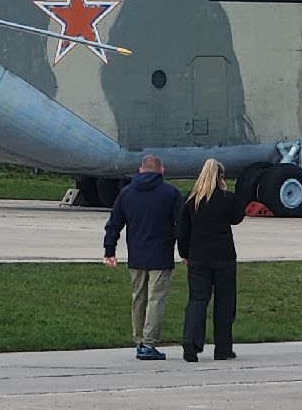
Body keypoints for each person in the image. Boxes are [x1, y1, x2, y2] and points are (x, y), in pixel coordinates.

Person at [102, 154, 182, 359]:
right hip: (161, 253)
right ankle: (149, 342)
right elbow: (182, 226)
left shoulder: (126, 193)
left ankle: (139, 340)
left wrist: (109, 250)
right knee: (156, 298)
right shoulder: (170, 193)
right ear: (162, 170)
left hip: (136, 254)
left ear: (140, 170)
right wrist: (184, 250)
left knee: (138, 298)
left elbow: (114, 224)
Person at [175, 160, 248, 363]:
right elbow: (236, 218)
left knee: (197, 300)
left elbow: (183, 231)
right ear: (220, 177)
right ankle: (223, 348)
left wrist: (184, 253)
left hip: (198, 256)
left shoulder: (191, 201)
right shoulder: (226, 198)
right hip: (223, 256)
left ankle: (191, 342)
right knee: (225, 302)